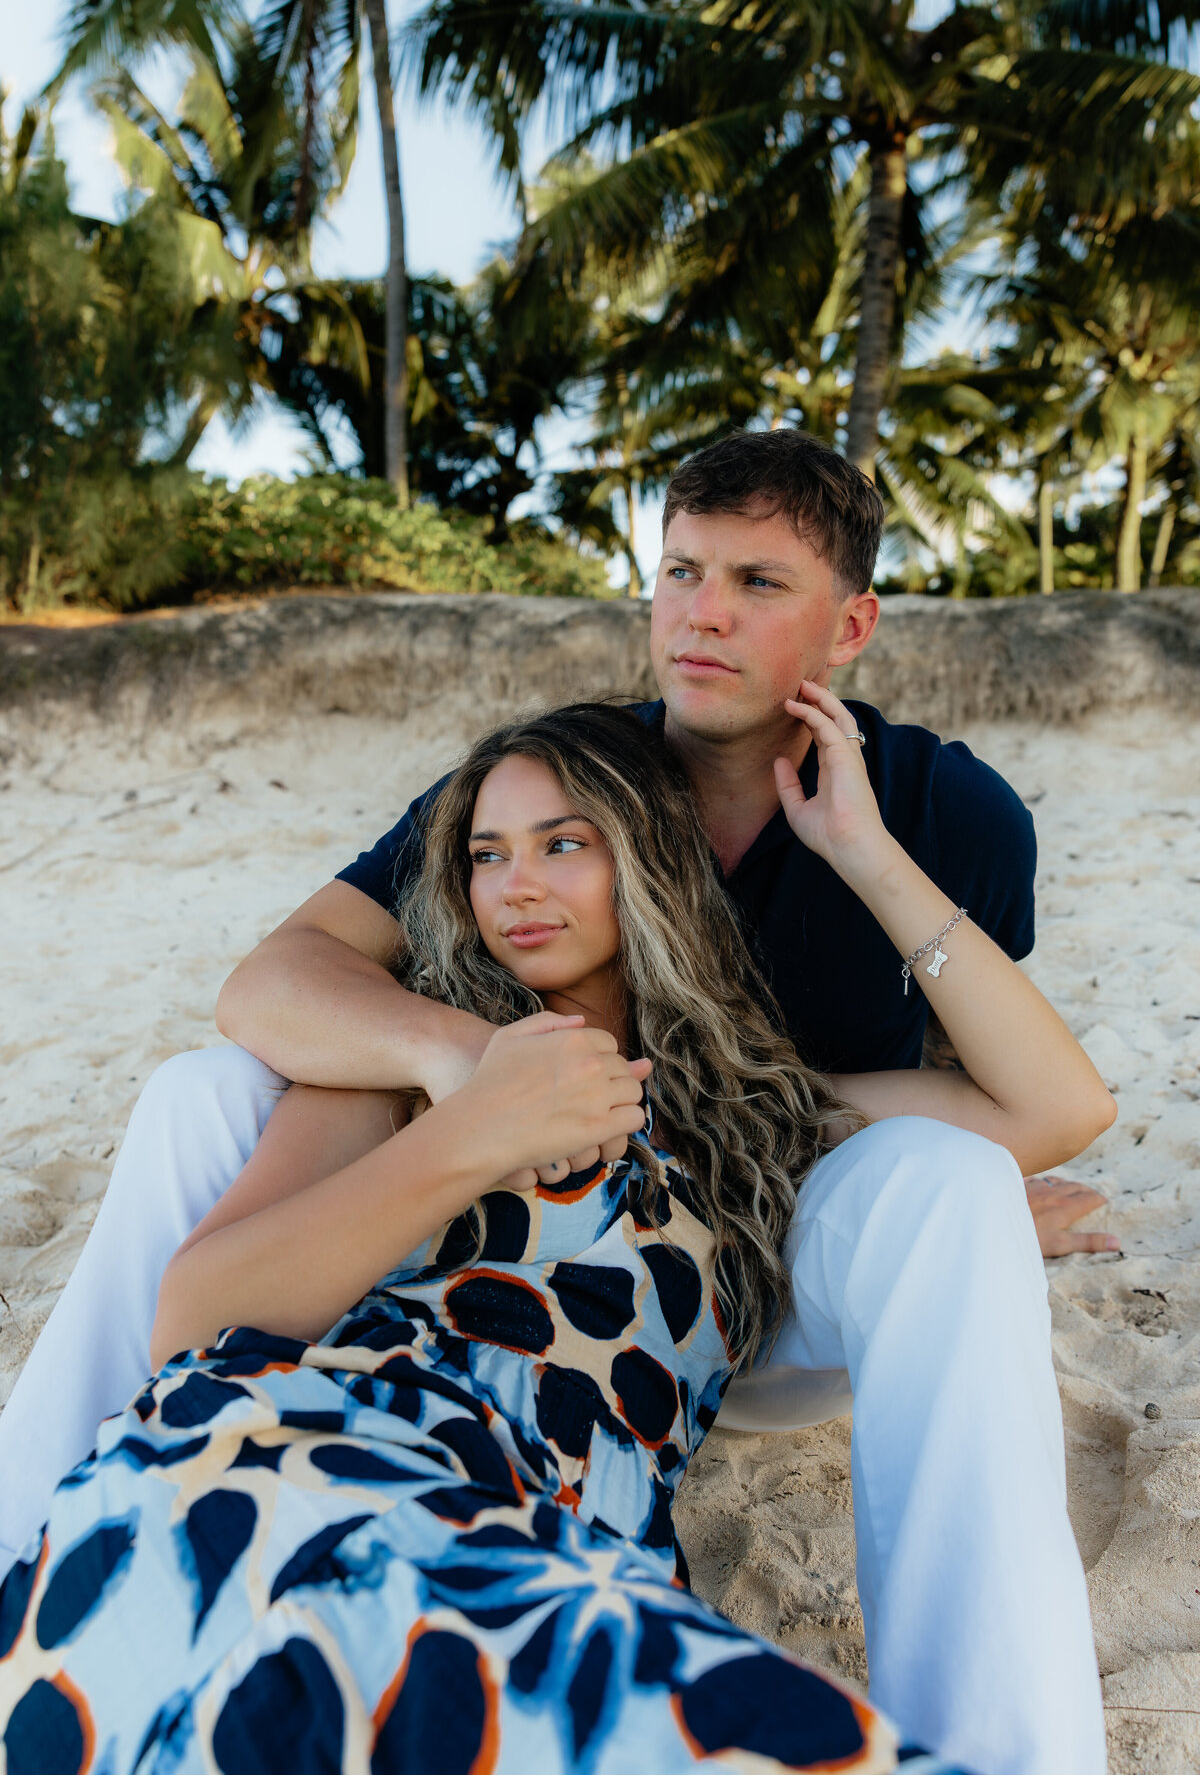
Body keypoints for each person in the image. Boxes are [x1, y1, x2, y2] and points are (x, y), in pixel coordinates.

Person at [0, 699, 1113, 1775]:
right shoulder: (403, 1080)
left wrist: (865, 854)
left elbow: (1059, 1109)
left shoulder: (759, 1115)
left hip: (549, 1546)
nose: (516, 886)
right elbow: (194, 1321)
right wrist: (474, 1126)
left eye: (561, 844)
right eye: (487, 856)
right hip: (311, 1453)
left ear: (651, 864)